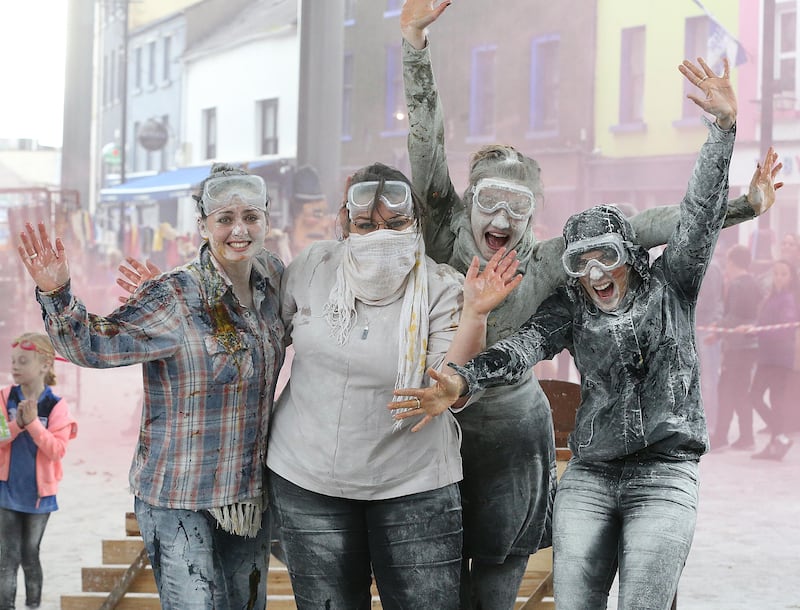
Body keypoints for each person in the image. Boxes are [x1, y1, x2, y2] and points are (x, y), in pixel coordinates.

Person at [400, 2, 779, 606]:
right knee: (431, 576)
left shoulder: (553, 260)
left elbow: (652, 225)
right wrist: (414, 44)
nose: (502, 219)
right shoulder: (444, 232)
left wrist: (744, 206)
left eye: (518, 207)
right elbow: (426, 141)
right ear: (467, 201)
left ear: (535, 213)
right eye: (490, 202)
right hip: (437, 421)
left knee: (501, 575)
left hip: (516, 436)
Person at [17, 164, 285, 609]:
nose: (239, 230)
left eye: (250, 217)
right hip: (178, 496)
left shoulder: (271, 280)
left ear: (266, 220)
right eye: (225, 219)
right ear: (203, 226)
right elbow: (94, 346)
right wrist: (57, 293)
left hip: (245, 497)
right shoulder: (173, 295)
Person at [266, 162, 522, 609]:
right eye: (366, 225)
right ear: (345, 222)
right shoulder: (312, 267)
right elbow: (264, 337)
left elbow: (451, 381)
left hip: (414, 486)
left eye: (396, 223)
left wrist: (475, 315)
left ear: (416, 222)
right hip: (308, 480)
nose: (380, 236)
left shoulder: (442, 287)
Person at [0, 332, 77, 610]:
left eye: (23, 361)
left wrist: (32, 424)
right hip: (6, 491)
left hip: (39, 496)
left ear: (45, 365)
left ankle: (33, 605)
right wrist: (18, 424)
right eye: (13, 361)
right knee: (7, 557)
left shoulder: (56, 406)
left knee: (30, 554)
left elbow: (57, 450)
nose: (15, 366)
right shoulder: (5, 397)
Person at [710, 244, 763, 451]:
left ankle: (722, 435)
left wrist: (717, 328)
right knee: (741, 391)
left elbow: (733, 316)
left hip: (736, 347)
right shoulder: (754, 283)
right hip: (750, 347)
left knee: (726, 391)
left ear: (732, 262)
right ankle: (745, 436)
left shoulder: (737, 285)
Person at [749, 258, 797, 460]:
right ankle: (777, 442)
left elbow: (784, 329)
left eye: (783, 274)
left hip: (778, 358)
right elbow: (766, 322)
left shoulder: (788, 300)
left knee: (757, 396)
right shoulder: (773, 296)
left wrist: (758, 331)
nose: (778, 278)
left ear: (791, 277)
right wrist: (754, 329)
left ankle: (780, 436)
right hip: (768, 355)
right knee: (773, 400)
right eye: (776, 273)